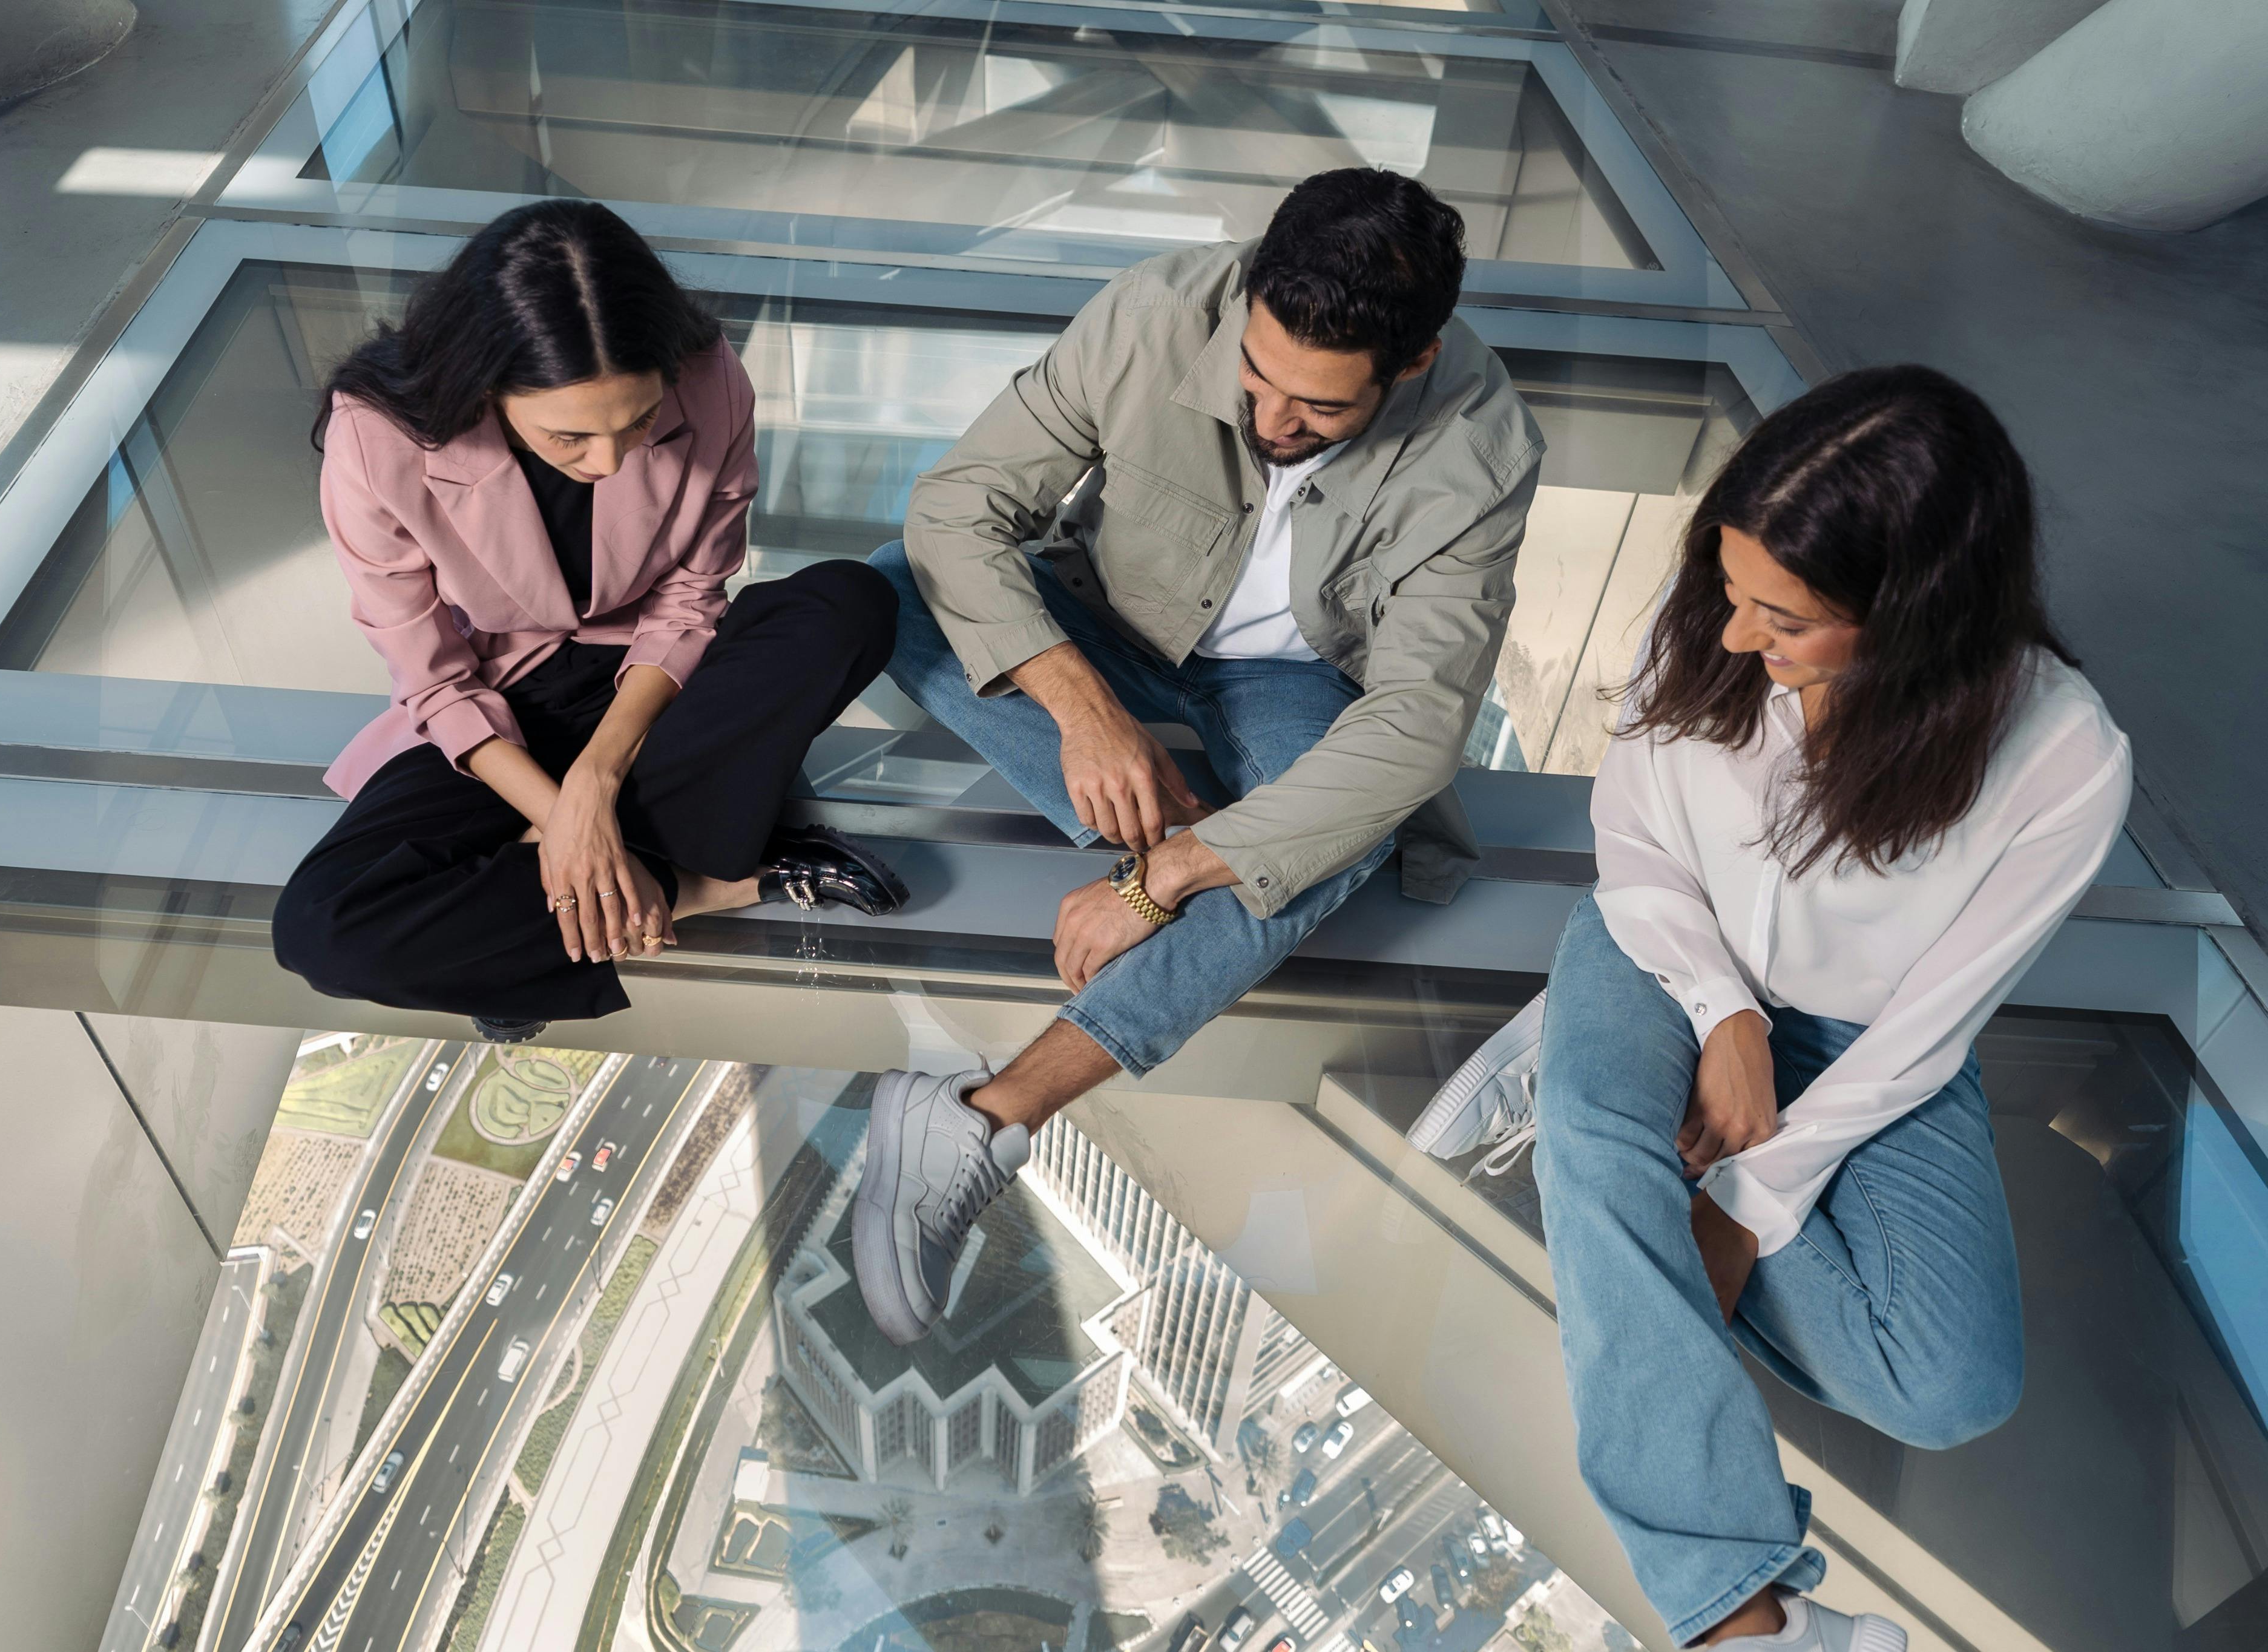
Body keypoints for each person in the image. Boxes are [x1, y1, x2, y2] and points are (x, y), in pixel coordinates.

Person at [1442, 366, 2131, 1651]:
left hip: (1871, 1047)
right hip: (1663, 948)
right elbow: (1634, 839)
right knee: (1599, 1160)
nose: (1734, 637)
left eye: (1787, 620)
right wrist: (1722, 1021)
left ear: (1918, 614)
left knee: (1944, 1392)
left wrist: (1743, 1211)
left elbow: (1933, 1027)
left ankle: (1626, 1166)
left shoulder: (2063, 760)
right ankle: (1744, 1620)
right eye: (1728, 592)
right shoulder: (1725, 602)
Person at [852, 168, 1545, 1346]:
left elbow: (1414, 728)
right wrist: (1081, 709)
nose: (1273, 421)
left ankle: (987, 1112)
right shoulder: (1156, 312)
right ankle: (1169, 823)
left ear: (1412, 363)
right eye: (1256, 377)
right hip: (1105, 629)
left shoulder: (1479, 449)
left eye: (1318, 411)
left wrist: (1162, 877)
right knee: (875, 595)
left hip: (1292, 685)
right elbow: (956, 508)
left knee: (1341, 823)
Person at [273, 200, 907, 1044]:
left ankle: (528, 925)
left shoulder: (711, 378)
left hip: (654, 688)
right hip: (501, 704)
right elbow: (434, 676)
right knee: (321, 928)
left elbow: (690, 601)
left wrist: (595, 787)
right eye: (568, 437)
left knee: (849, 602)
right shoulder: (375, 437)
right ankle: (711, 880)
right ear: (485, 384)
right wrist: (563, 815)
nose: (609, 460)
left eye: (638, 422)